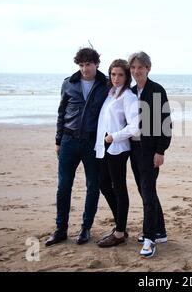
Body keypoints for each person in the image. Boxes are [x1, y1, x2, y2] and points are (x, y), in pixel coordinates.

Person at [46, 47, 108, 246]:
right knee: (64, 186)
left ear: (96, 64)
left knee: (93, 186)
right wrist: (58, 140)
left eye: (88, 64)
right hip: (68, 141)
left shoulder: (106, 84)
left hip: (92, 143)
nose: (84, 69)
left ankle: (85, 228)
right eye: (81, 65)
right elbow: (61, 113)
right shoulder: (69, 83)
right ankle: (61, 229)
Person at [128, 51, 172, 258]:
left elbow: (165, 122)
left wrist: (160, 151)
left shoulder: (156, 90)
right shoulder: (129, 92)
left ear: (148, 69)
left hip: (150, 150)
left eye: (140, 67)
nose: (137, 71)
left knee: (147, 192)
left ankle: (149, 238)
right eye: (133, 68)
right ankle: (160, 231)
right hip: (133, 149)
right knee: (146, 191)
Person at [94, 59, 140, 248]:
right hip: (104, 147)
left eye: (120, 74)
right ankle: (120, 226)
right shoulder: (111, 94)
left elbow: (135, 127)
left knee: (119, 188)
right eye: (113, 74)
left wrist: (114, 136)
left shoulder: (128, 97)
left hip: (118, 148)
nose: (116, 78)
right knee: (104, 185)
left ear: (127, 76)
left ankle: (120, 232)